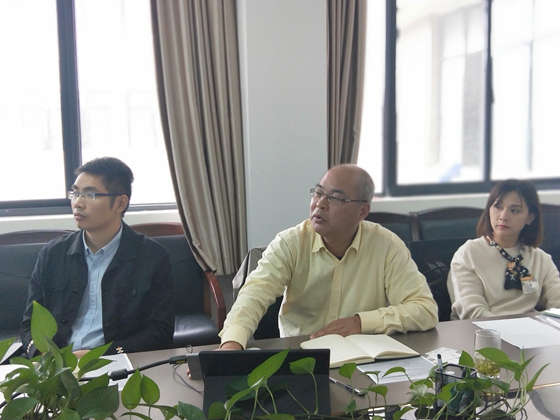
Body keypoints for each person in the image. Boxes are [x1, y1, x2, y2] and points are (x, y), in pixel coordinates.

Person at [219, 164, 438, 350]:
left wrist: (361, 322)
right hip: (301, 355)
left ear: (362, 211)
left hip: (363, 355)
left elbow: (425, 309)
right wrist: (232, 343)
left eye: (335, 198)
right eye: (318, 193)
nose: (320, 204)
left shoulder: (386, 246)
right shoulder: (290, 243)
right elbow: (254, 293)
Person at [20, 157, 174, 357]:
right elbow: (29, 324)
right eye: (75, 193)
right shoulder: (52, 254)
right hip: (55, 365)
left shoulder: (152, 256)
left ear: (120, 203)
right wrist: (42, 355)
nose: (78, 203)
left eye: (90, 195)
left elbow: (160, 331)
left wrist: (100, 355)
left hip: (116, 361)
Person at [447, 179, 560, 320]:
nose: (503, 216)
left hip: (530, 330)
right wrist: (508, 330)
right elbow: (471, 312)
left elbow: (558, 304)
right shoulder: (468, 254)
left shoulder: (540, 258)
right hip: (480, 330)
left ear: (529, 218)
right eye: (498, 207)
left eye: (514, 210)